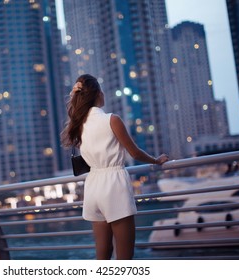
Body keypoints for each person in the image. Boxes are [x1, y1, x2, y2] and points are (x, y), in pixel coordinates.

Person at [61, 74, 169, 260]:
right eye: (101, 90)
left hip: (93, 187)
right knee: (125, 257)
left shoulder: (78, 125)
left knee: (103, 254)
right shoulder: (112, 120)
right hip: (114, 186)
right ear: (97, 94)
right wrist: (156, 160)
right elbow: (134, 153)